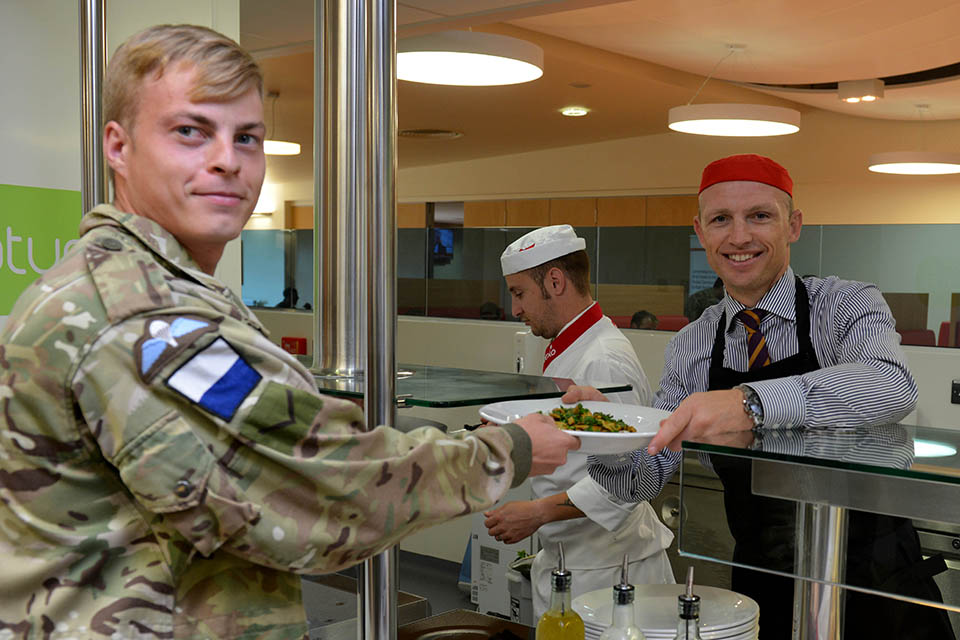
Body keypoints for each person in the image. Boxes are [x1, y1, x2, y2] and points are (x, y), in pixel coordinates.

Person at [0, 25, 580, 639]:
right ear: (117, 147)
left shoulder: (150, 292)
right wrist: (510, 449)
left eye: (246, 137)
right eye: (190, 131)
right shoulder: (140, 316)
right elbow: (319, 489)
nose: (226, 159)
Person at [576, 154, 953, 638]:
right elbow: (642, 480)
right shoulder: (693, 343)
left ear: (793, 225)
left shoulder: (845, 304)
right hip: (761, 585)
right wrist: (604, 432)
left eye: (759, 216)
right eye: (720, 220)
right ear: (701, 232)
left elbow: (891, 384)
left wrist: (749, 404)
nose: (738, 237)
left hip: (877, 583)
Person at [484, 224, 674, 618]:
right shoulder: (566, 348)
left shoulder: (602, 358)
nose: (515, 309)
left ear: (555, 281)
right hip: (570, 559)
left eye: (519, 293)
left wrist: (539, 513)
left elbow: (625, 481)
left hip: (610, 567)